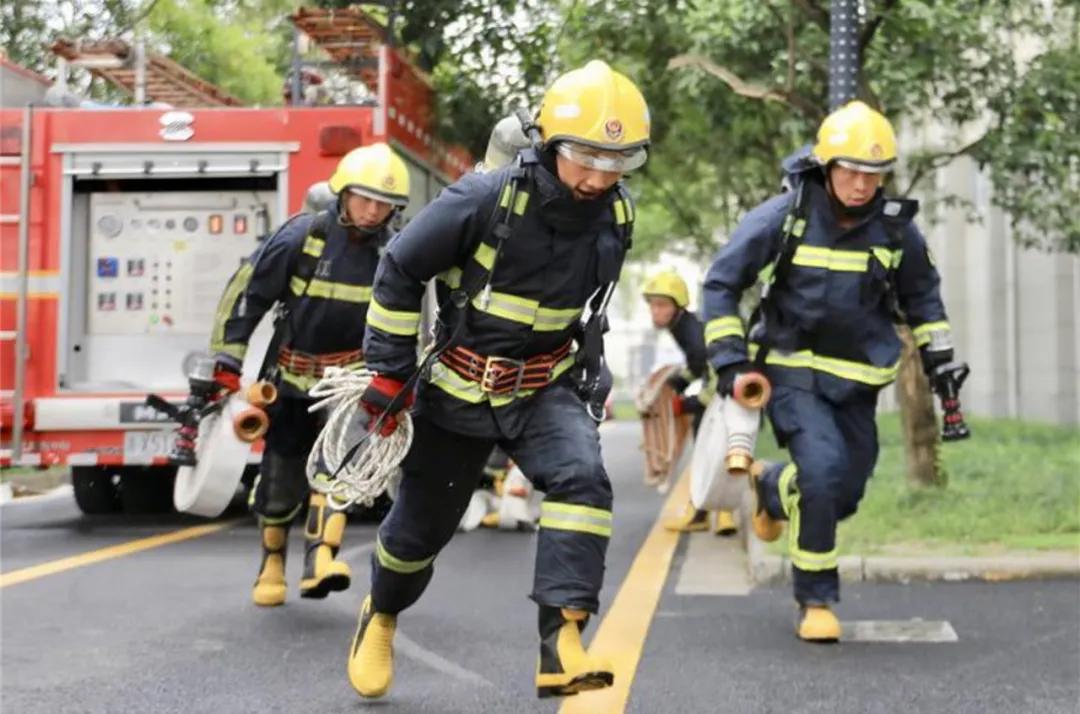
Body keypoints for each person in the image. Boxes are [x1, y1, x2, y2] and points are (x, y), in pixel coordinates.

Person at [346, 60, 649, 699]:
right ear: (547, 143)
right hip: (458, 389)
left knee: (583, 484)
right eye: (586, 156)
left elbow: (577, 309)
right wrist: (389, 376)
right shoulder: (483, 198)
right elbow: (400, 270)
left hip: (545, 388)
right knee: (415, 535)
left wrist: (591, 365)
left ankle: (560, 643)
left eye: (619, 160)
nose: (600, 176)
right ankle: (382, 613)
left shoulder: (615, 217)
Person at [702, 101, 959, 642]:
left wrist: (939, 360)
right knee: (821, 472)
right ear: (825, 165)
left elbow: (924, 300)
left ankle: (773, 488)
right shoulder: (783, 217)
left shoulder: (896, 233)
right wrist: (730, 360)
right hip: (790, 376)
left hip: (858, 381)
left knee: (847, 490)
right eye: (850, 170)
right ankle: (815, 599)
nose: (862, 184)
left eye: (874, 173)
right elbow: (721, 285)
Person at [209, 143, 410, 607]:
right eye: (364, 198)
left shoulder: (396, 251)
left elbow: (411, 317)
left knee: (342, 467)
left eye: (384, 204)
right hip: (292, 380)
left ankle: (321, 559)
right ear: (342, 193)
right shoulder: (301, 237)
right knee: (281, 476)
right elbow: (248, 296)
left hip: (354, 383)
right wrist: (226, 364)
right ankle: (272, 564)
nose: (373, 210)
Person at [641, 270, 738, 536]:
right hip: (724, 391)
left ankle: (719, 513)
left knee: (717, 453)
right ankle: (712, 513)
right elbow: (697, 365)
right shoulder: (681, 327)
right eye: (652, 304)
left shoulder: (690, 331)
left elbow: (714, 370)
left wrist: (688, 404)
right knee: (712, 453)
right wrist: (676, 385)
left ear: (678, 306)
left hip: (728, 390)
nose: (654, 311)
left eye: (661, 304)